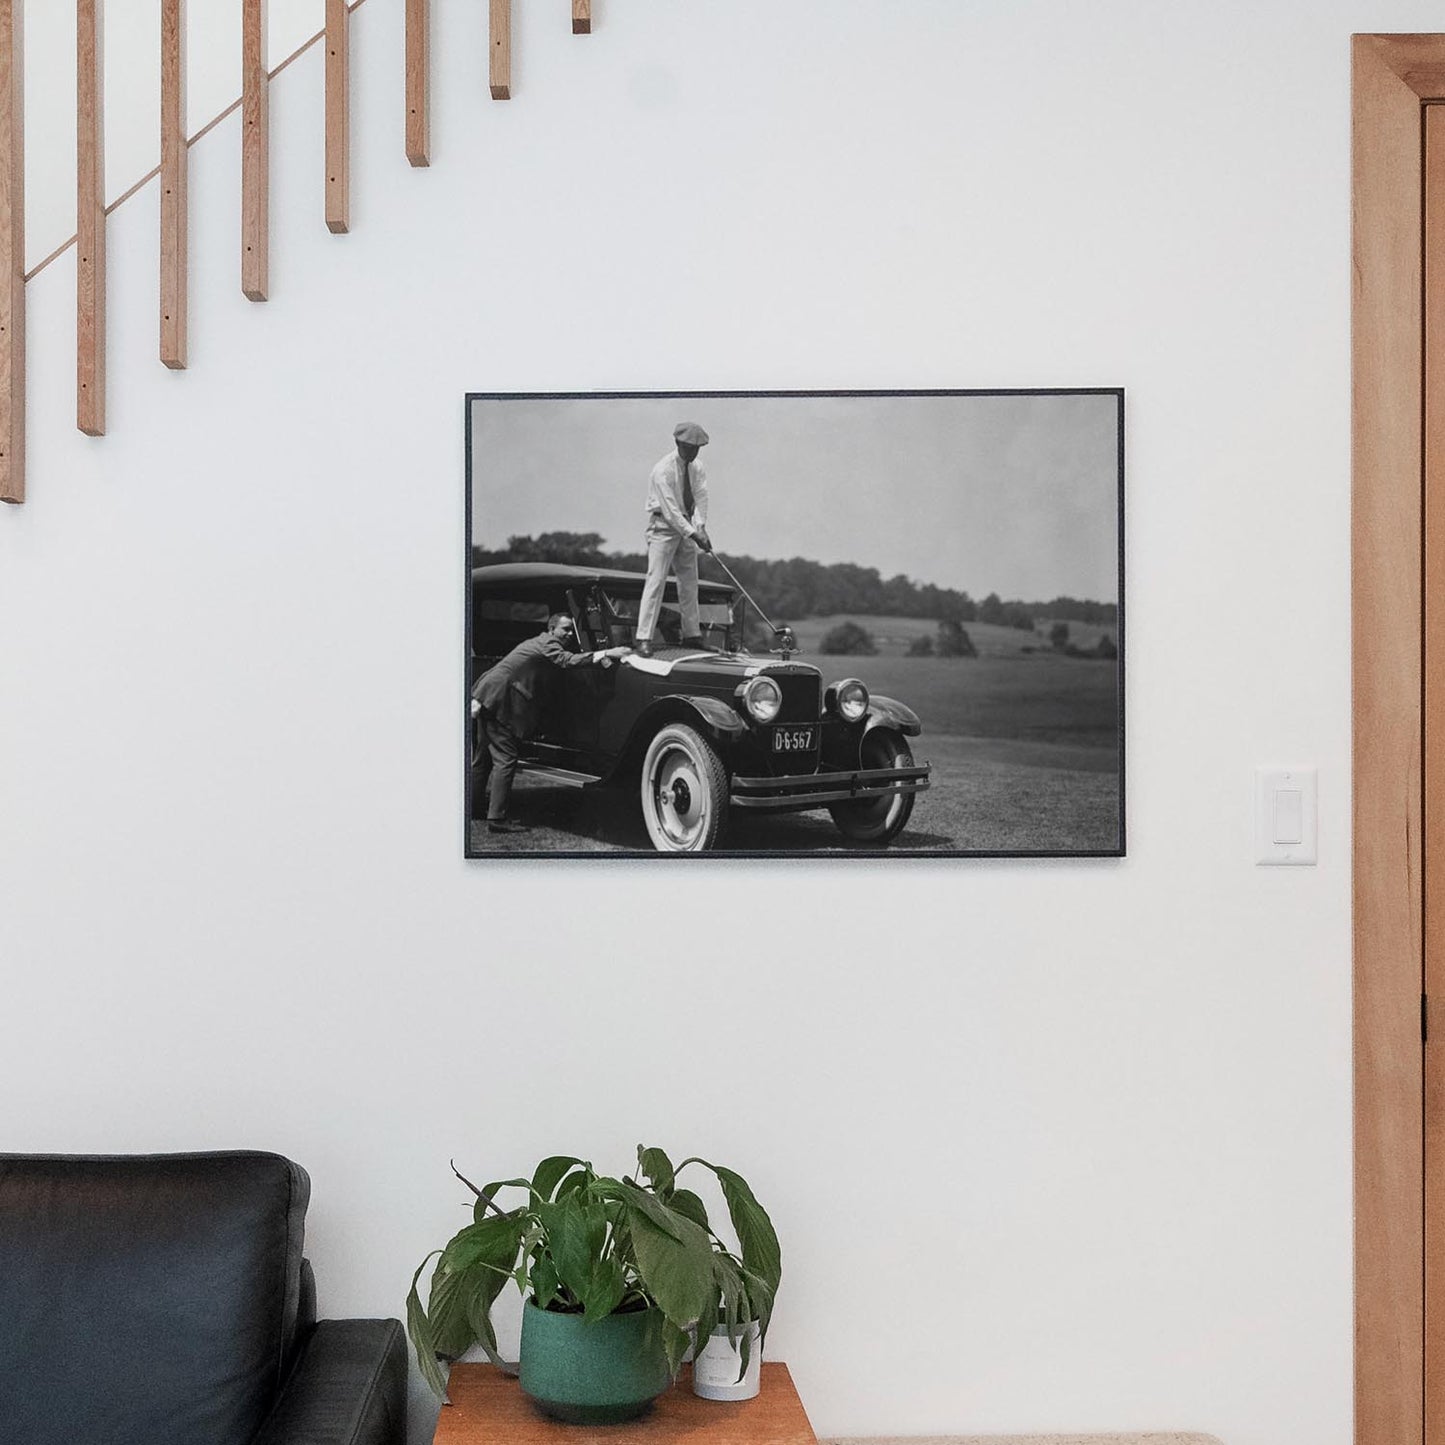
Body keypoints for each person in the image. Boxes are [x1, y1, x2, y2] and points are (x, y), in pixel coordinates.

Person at [470, 614, 629, 834]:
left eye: (571, 630)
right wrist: (607, 653)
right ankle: (497, 819)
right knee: (505, 759)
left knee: (483, 760)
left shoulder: (540, 641)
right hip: (501, 699)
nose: (570, 634)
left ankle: (474, 807)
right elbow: (566, 661)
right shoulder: (549, 643)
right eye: (565, 629)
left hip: (488, 695)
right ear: (552, 628)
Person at [635, 422, 713, 658]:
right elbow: (670, 511)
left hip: (687, 525)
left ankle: (692, 635)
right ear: (678, 443)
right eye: (689, 447)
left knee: (689, 582)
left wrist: (701, 526)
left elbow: (701, 497)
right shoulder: (662, 470)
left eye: (698, 448)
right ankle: (643, 638)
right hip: (662, 527)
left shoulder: (697, 466)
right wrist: (693, 533)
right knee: (656, 580)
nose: (694, 452)